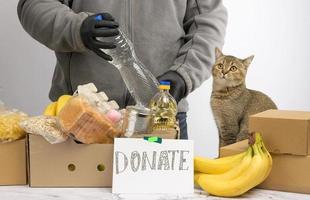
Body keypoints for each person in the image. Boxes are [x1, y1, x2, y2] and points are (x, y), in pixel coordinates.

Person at [17, 0, 227, 139]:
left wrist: (184, 73)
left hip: (161, 119)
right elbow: (34, 5)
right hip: (80, 117)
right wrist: (75, 28)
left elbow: (208, 19)